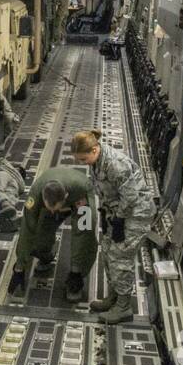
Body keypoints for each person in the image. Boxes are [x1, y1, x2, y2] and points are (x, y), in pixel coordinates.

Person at [70, 129, 155, 323]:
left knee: (120, 257)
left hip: (135, 215)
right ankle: (114, 297)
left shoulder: (115, 164)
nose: (81, 163)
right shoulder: (97, 162)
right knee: (108, 251)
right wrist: (106, 212)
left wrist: (119, 220)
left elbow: (131, 196)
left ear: (94, 150)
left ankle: (124, 307)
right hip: (117, 212)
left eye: (83, 159)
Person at [6, 166, 97, 304]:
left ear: (65, 197)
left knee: (84, 234)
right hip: (51, 202)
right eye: (51, 208)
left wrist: (76, 272)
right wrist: (19, 268)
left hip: (77, 199)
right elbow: (27, 229)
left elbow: (83, 235)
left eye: (56, 208)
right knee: (40, 233)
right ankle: (46, 255)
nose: (54, 212)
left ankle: (76, 277)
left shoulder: (80, 190)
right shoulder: (36, 195)